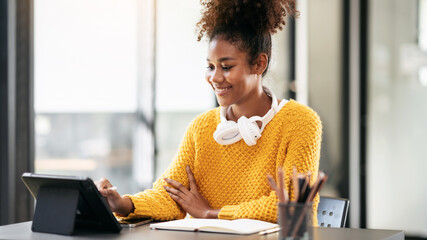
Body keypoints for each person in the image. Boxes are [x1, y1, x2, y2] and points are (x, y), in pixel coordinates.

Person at [96, 0, 322, 224]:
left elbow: (293, 205)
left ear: (259, 64)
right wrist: (122, 203)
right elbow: (170, 195)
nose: (214, 78)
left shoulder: (300, 121)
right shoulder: (202, 126)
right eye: (210, 66)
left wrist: (210, 213)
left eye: (226, 67)